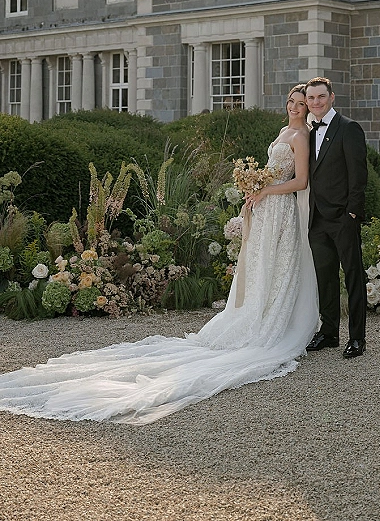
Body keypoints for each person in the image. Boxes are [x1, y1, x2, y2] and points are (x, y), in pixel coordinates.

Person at [0, 86, 318, 425]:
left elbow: (300, 181)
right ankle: (258, 311)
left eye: (302, 103)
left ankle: (274, 318)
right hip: (267, 209)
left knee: (279, 268)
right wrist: (255, 190)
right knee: (261, 268)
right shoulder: (284, 130)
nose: (296, 107)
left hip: (281, 210)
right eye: (292, 101)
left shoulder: (301, 136)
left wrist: (264, 189)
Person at [304, 76, 368, 359]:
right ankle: (329, 332)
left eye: (320, 97)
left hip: (343, 217)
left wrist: (352, 213)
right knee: (325, 277)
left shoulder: (348, 128)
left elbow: (359, 175)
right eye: (311, 98)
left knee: (353, 276)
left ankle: (357, 338)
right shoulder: (307, 131)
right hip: (317, 217)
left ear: (332, 98)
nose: (315, 102)